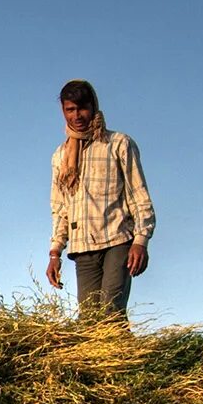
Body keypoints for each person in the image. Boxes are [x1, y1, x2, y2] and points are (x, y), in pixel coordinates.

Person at [44, 79, 156, 317]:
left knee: (110, 312)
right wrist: (55, 253)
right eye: (70, 110)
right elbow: (61, 208)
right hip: (82, 246)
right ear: (63, 111)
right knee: (89, 321)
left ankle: (129, 353)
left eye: (82, 108)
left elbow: (138, 195)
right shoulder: (60, 156)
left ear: (93, 106)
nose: (77, 116)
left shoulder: (118, 144)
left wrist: (141, 240)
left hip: (117, 240)